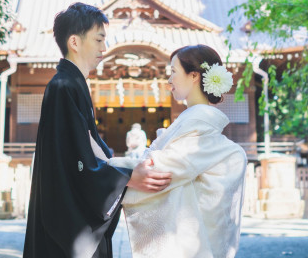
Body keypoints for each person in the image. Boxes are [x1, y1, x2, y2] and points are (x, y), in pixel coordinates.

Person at [23, 2, 172, 258]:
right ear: (75, 42)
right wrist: (125, 176)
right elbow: (76, 162)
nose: (105, 49)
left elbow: (90, 152)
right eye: (99, 39)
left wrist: (123, 171)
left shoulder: (72, 83)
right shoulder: (63, 87)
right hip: (65, 220)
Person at [93, 44, 247, 258]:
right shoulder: (191, 122)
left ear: (194, 76)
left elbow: (159, 172)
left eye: (173, 72)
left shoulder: (199, 127)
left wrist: (100, 168)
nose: (169, 80)